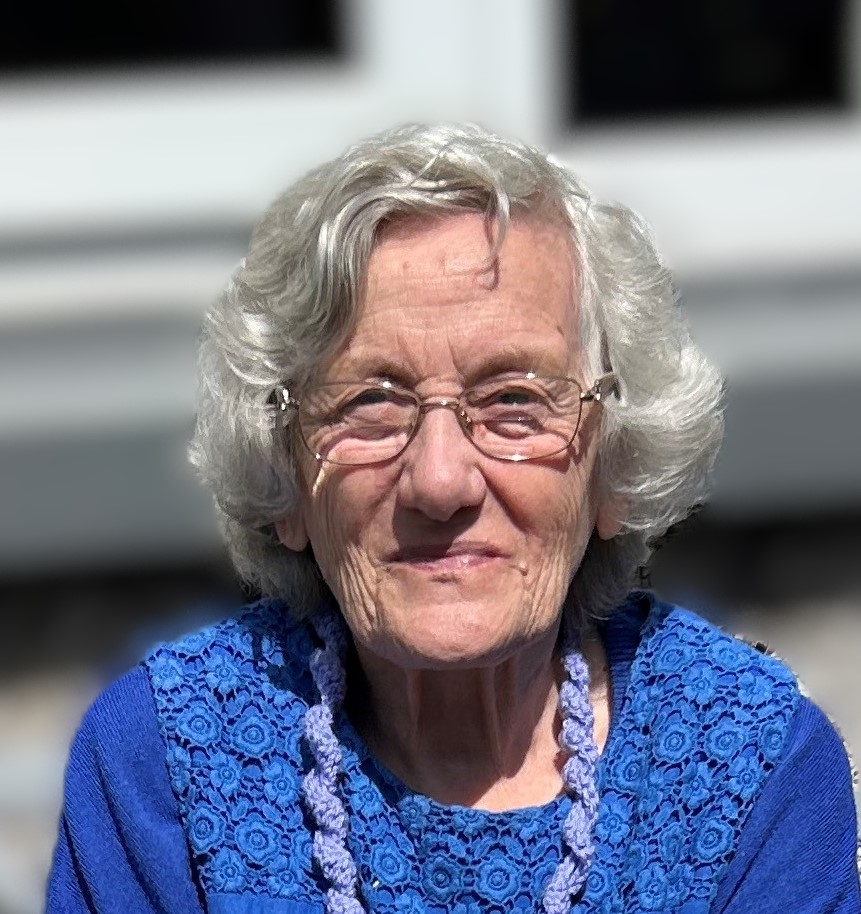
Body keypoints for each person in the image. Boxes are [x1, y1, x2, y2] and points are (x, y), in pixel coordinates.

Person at [46, 123, 859, 914]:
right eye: (369, 404)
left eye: (514, 402)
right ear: (284, 478)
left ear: (614, 465)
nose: (439, 482)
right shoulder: (164, 761)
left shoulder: (748, 765)